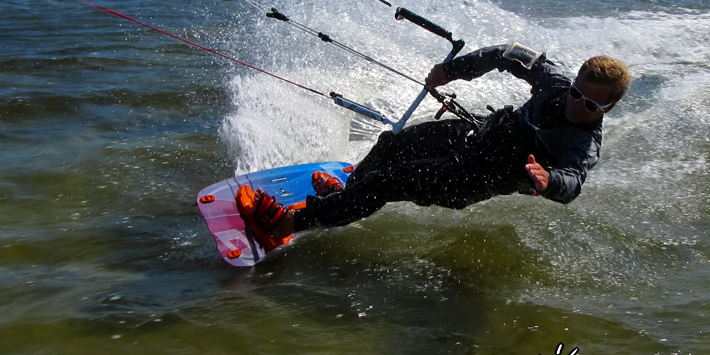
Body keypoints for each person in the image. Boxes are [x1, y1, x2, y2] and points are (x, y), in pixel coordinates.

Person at [235, 42, 632, 251]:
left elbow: (573, 181)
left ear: (609, 106)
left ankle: (289, 224)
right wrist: (453, 70)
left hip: (473, 177)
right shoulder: (556, 81)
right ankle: (347, 192)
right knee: (393, 143)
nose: (579, 106)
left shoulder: (583, 141)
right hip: (476, 136)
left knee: (387, 183)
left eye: (593, 105)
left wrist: (548, 182)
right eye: (578, 94)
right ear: (575, 80)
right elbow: (506, 55)